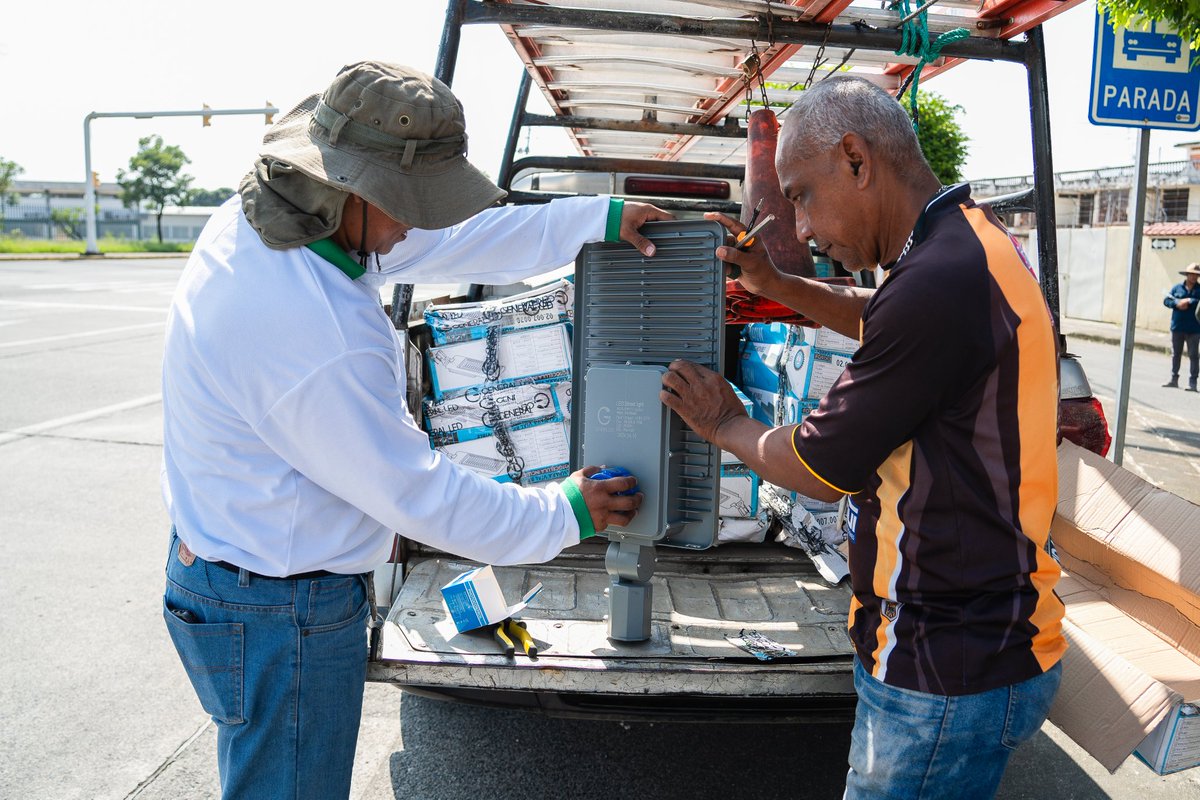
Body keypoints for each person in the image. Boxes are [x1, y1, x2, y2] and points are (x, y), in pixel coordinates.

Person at [161, 61, 667, 800]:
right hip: (278, 613)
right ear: (359, 192)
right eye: (412, 204)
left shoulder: (277, 214)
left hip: (227, 567)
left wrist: (599, 219)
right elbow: (419, 496)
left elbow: (451, 240)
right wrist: (564, 512)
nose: (416, 225)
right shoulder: (311, 328)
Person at [660, 76, 1064, 800]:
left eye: (801, 196)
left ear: (855, 158)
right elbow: (880, 312)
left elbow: (818, 465)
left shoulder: (939, 281)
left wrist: (723, 423)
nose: (801, 228)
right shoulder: (964, 245)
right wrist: (776, 282)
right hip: (979, 642)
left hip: (943, 665)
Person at [1162, 262, 1200, 391]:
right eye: (1192, 274)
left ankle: (1193, 382)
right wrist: (1177, 304)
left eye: (1196, 275)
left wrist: (1189, 300)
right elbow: (1167, 300)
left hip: (1194, 328)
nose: (1194, 277)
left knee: (1193, 355)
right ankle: (1174, 379)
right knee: (1175, 354)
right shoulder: (1177, 288)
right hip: (1177, 327)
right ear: (1187, 275)